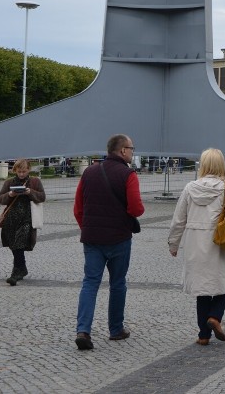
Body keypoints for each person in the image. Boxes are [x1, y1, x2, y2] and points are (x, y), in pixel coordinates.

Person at [73, 134, 145, 350]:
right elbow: (136, 209)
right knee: (118, 283)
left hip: (92, 239)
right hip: (119, 238)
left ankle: (83, 330)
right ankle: (115, 329)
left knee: (90, 283)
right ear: (122, 150)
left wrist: (87, 227)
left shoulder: (89, 172)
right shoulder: (128, 174)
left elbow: (78, 207)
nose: (133, 152)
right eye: (131, 148)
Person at [168, 148, 225, 346]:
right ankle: (215, 316)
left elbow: (179, 219)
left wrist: (174, 243)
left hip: (195, 242)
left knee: (202, 289)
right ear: (221, 165)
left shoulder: (189, 188)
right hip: (219, 242)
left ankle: (203, 335)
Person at [0, 158, 46, 286]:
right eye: (19, 171)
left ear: (28, 170)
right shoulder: (9, 182)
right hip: (11, 219)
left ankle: (16, 273)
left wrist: (31, 192)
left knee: (19, 242)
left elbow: (42, 197)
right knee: (13, 244)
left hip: (27, 218)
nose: (21, 174)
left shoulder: (35, 182)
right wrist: (10, 195)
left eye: (24, 171)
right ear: (15, 170)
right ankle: (21, 268)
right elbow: (0, 199)